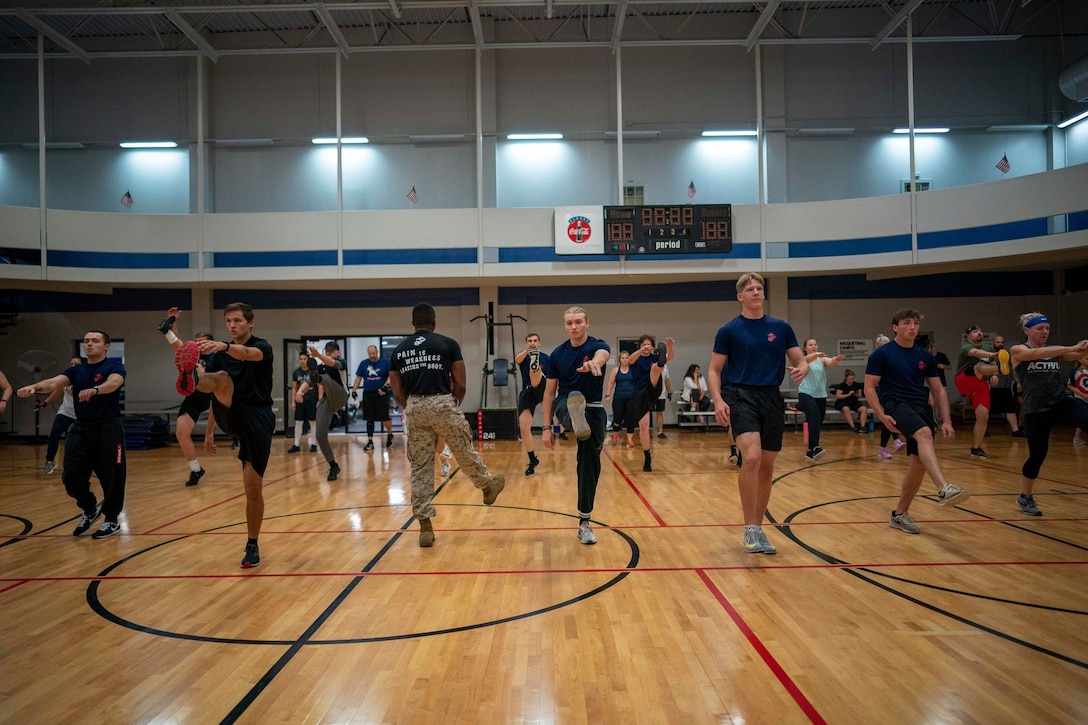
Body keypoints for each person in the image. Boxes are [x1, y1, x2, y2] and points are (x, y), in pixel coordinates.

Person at [388, 303, 505, 548]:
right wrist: (453, 405)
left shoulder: (399, 351)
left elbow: (397, 389)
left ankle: (425, 528)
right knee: (463, 450)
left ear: (413, 324)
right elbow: (460, 383)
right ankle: (486, 487)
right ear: (434, 322)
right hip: (442, 402)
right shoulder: (447, 344)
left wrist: (410, 405)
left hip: (415, 408)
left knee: (420, 467)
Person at [708, 272, 808, 555]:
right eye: (750, 289)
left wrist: (804, 367)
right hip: (740, 395)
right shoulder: (728, 330)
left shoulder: (781, 327)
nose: (756, 292)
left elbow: (799, 358)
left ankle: (759, 527)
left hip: (771, 397)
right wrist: (718, 400)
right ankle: (749, 528)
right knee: (751, 459)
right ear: (740, 296)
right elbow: (714, 370)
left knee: (766, 467)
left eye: (759, 288)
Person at [174, 302, 274, 568]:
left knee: (252, 487)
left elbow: (247, 354)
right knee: (218, 379)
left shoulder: (262, 346)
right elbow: (215, 393)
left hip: (257, 417)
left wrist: (224, 346)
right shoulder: (219, 354)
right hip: (227, 408)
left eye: (238, 320)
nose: (232, 325)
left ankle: (252, 543)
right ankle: (191, 378)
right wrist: (209, 431)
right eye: (229, 321)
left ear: (250, 323)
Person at [865, 308, 970, 535]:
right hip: (895, 403)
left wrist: (947, 420)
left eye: (915, 323)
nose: (912, 327)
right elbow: (869, 387)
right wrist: (881, 415)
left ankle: (899, 514)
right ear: (895, 327)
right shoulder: (882, 354)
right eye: (906, 323)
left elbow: (938, 390)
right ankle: (943, 488)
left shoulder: (924, 356)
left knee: (918, 463)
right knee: (923, 434)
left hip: (920, 405)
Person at [16, 331, 127, 539]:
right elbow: (53, 383)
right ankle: (90, 509)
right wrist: (33, 387)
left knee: (112, 477)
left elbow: (114, 382)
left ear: (106, 346)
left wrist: (96, 390)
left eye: (95, 341)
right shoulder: (77, 370)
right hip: (80, 428)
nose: (89, 344)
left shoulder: (114, 366)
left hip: (108, 429)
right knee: (71, 478)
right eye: (86, 341)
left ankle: (111, 520)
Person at [542, 306, 611, 544]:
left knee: (590, 466)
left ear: (587, 323)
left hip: (594, 409)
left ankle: (584, 522)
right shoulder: (558, 354)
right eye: (569, 323)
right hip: (566, 401)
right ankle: (574, 418)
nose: (574, 326)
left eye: (578, 322)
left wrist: (594, 363)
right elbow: (549, 393)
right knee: (569, 403)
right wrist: (546, 427)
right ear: (565, 325)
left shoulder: (596, 346)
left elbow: (603, 355)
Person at [1010, 314, 1088, 517]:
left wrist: (1081, 348)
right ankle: (1025, 496)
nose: (1044, 331)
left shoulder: (1054, 350)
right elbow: (1041, 353)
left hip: (1061, 401)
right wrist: (1070, 348)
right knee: (1038, 455)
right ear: (1027, 330)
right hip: (1036, 408)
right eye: (1040, 328)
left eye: (1047, 328)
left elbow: (1074, 355)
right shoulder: (1019, 350)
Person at [158, 309, 217, 485]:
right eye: (196, 342)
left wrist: (209, 432)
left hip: (213, 395)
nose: (198, 345)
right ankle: (196, 469)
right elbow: (181, 346)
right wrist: (173, 320)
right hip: (194, 396)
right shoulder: (192, 354)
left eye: (202, 342)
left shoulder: (218, 357)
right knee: (181, 432)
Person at [296, 342, 349, 481]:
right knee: (319, 435)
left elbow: (332, 363)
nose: (329, 352)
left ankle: (318, 378)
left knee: (324, 378)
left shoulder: (341, 362)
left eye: (332, 351)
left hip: (341, 395)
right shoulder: (321, 367)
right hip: (328, 400)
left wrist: (318, 355)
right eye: (327, 351)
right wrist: (300, 392)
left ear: (338, 352)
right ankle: (333, 466)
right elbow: (307, 382)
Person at [954, 324, 1002, 458]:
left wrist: (994, 376)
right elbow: (975, 353)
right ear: (969, 336)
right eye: (975, 331)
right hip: (964, 379)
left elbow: (992, 364)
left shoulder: (987, 348)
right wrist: (993, 354)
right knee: (980, 365)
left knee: (983, 415)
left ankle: (976, 448)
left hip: (980, 381)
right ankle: (1004, 368)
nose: (979, 333)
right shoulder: (966, 347)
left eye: (980, 331)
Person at [627, 334, 674, 472]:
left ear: (652, 346)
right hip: (640, 394)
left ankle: (659, 366)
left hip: (654, 387)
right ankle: (647, 457)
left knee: (655, 368)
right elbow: (630, 360)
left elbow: (669, 357)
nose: (646, 347)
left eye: (648, 345)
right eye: (643, 345)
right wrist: (640, 351)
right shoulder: (637, 358)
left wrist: (669, 347)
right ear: (640, 346)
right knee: (644, 426)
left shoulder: (654, 357)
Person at [798, 338, 844, 461]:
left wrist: (836, 359)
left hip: (820, 395)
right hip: (806, 393)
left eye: (815, 344)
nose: (814, 346)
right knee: (814, 418)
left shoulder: (821, 359)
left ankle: (810, 451)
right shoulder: (804, 360)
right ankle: (816, 447)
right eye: (810, 345)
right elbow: (803, 360)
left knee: (817, 423)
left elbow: (830, 362)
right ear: (805, 348)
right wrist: (815, 354)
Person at [513, 332, 550, 475]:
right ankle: (532, 459)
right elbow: (517, 359)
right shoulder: (523, 357)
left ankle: (535, 369)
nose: (533, 342)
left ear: (539, 343)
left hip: (543, 388)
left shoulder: (547, 358)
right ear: (526, 343)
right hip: (528, 392)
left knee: (536, 376)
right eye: (530, 341)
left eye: (535, 340)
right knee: (524, 426)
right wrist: (528, 352)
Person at [39, 357, 81, 474]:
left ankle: (75, 464)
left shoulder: (84, 379)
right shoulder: (67, 378)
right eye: (71, 363)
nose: (73, 366)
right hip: (65, 412)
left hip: (79, 416)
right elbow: (58, 390)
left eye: (76, 364)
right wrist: (46, 402)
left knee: (73, 441)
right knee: (54, 434)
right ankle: (49, 462)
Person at [351, 345, 394, 450]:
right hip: (368, 394)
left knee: (384, 417)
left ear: (377, 352)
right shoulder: (364, 364)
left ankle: (389, 434)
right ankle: (370, 441)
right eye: (370, 354)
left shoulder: (385, 363)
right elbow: (358, 377)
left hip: (381, 393)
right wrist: (354, 390)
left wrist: (385, 386)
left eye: (373, 353)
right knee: (369, 419)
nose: (372, 356)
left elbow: (391, 376)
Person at [990, 335, 1026, 437]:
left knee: (1010, 408)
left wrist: (1018, 382)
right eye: (998, 342)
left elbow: (1012, 370)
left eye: (1002, 342)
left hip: (1005, 387)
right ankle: (983, 430)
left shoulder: (1007, 355)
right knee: (986, 410)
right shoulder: (989, 355)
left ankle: (1015, 431)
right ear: (994, 343)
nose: (1000, 344)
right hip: (992, 387)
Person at [606, 351, 638, 448]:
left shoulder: (633, 370)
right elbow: (611, 383)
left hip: (631, 398)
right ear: (620, 359)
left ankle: (629, 439)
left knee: (630, 419)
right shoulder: (615, 370)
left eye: (626, 358)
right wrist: (608, 395)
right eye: (622, 358)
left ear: (629, 359)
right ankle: (615, 437)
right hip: (619, 398)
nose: (625, 359)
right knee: (617, 418)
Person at [289, 352, 318, 453]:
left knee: (313, 422)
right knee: (298, 422)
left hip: (312, 399)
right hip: (300, 400)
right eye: (301, 359)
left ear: (308, 360)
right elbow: (294, 388)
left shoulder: (313, 372)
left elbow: (319, 386)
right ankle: (296, 444)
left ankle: (313, 444)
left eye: (304, 359)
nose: (302, 361)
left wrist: (319, 400)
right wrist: (293, 402)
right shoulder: (296, 372)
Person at [832, 369, 869, 434]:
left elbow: (859, 395)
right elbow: (838, 396)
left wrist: (854, 394)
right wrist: (848, 394)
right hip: (843, 402)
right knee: (846, 409)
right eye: (850, 379)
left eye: (852, 379)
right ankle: (853, 427)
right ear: (846, 378)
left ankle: (862, 427)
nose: (851, 380)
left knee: (863, 409)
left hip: (853, 402)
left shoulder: (856, 385)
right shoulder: (842, 385)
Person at [1068, 355, 1088, 446]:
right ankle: (1077, 437)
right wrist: (1082, 394)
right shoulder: (1075, 372)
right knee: (1082, 417)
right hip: (1080, 399)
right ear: (1080, 359)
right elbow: (1069, 385)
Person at [653, 363, 672, 440]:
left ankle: (660, 432)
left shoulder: (665, 366)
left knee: (660, 412)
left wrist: (669, 392)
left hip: (661, 393)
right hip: (650, 393)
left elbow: (667, 380)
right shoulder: (651, 364)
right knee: (646, 412)